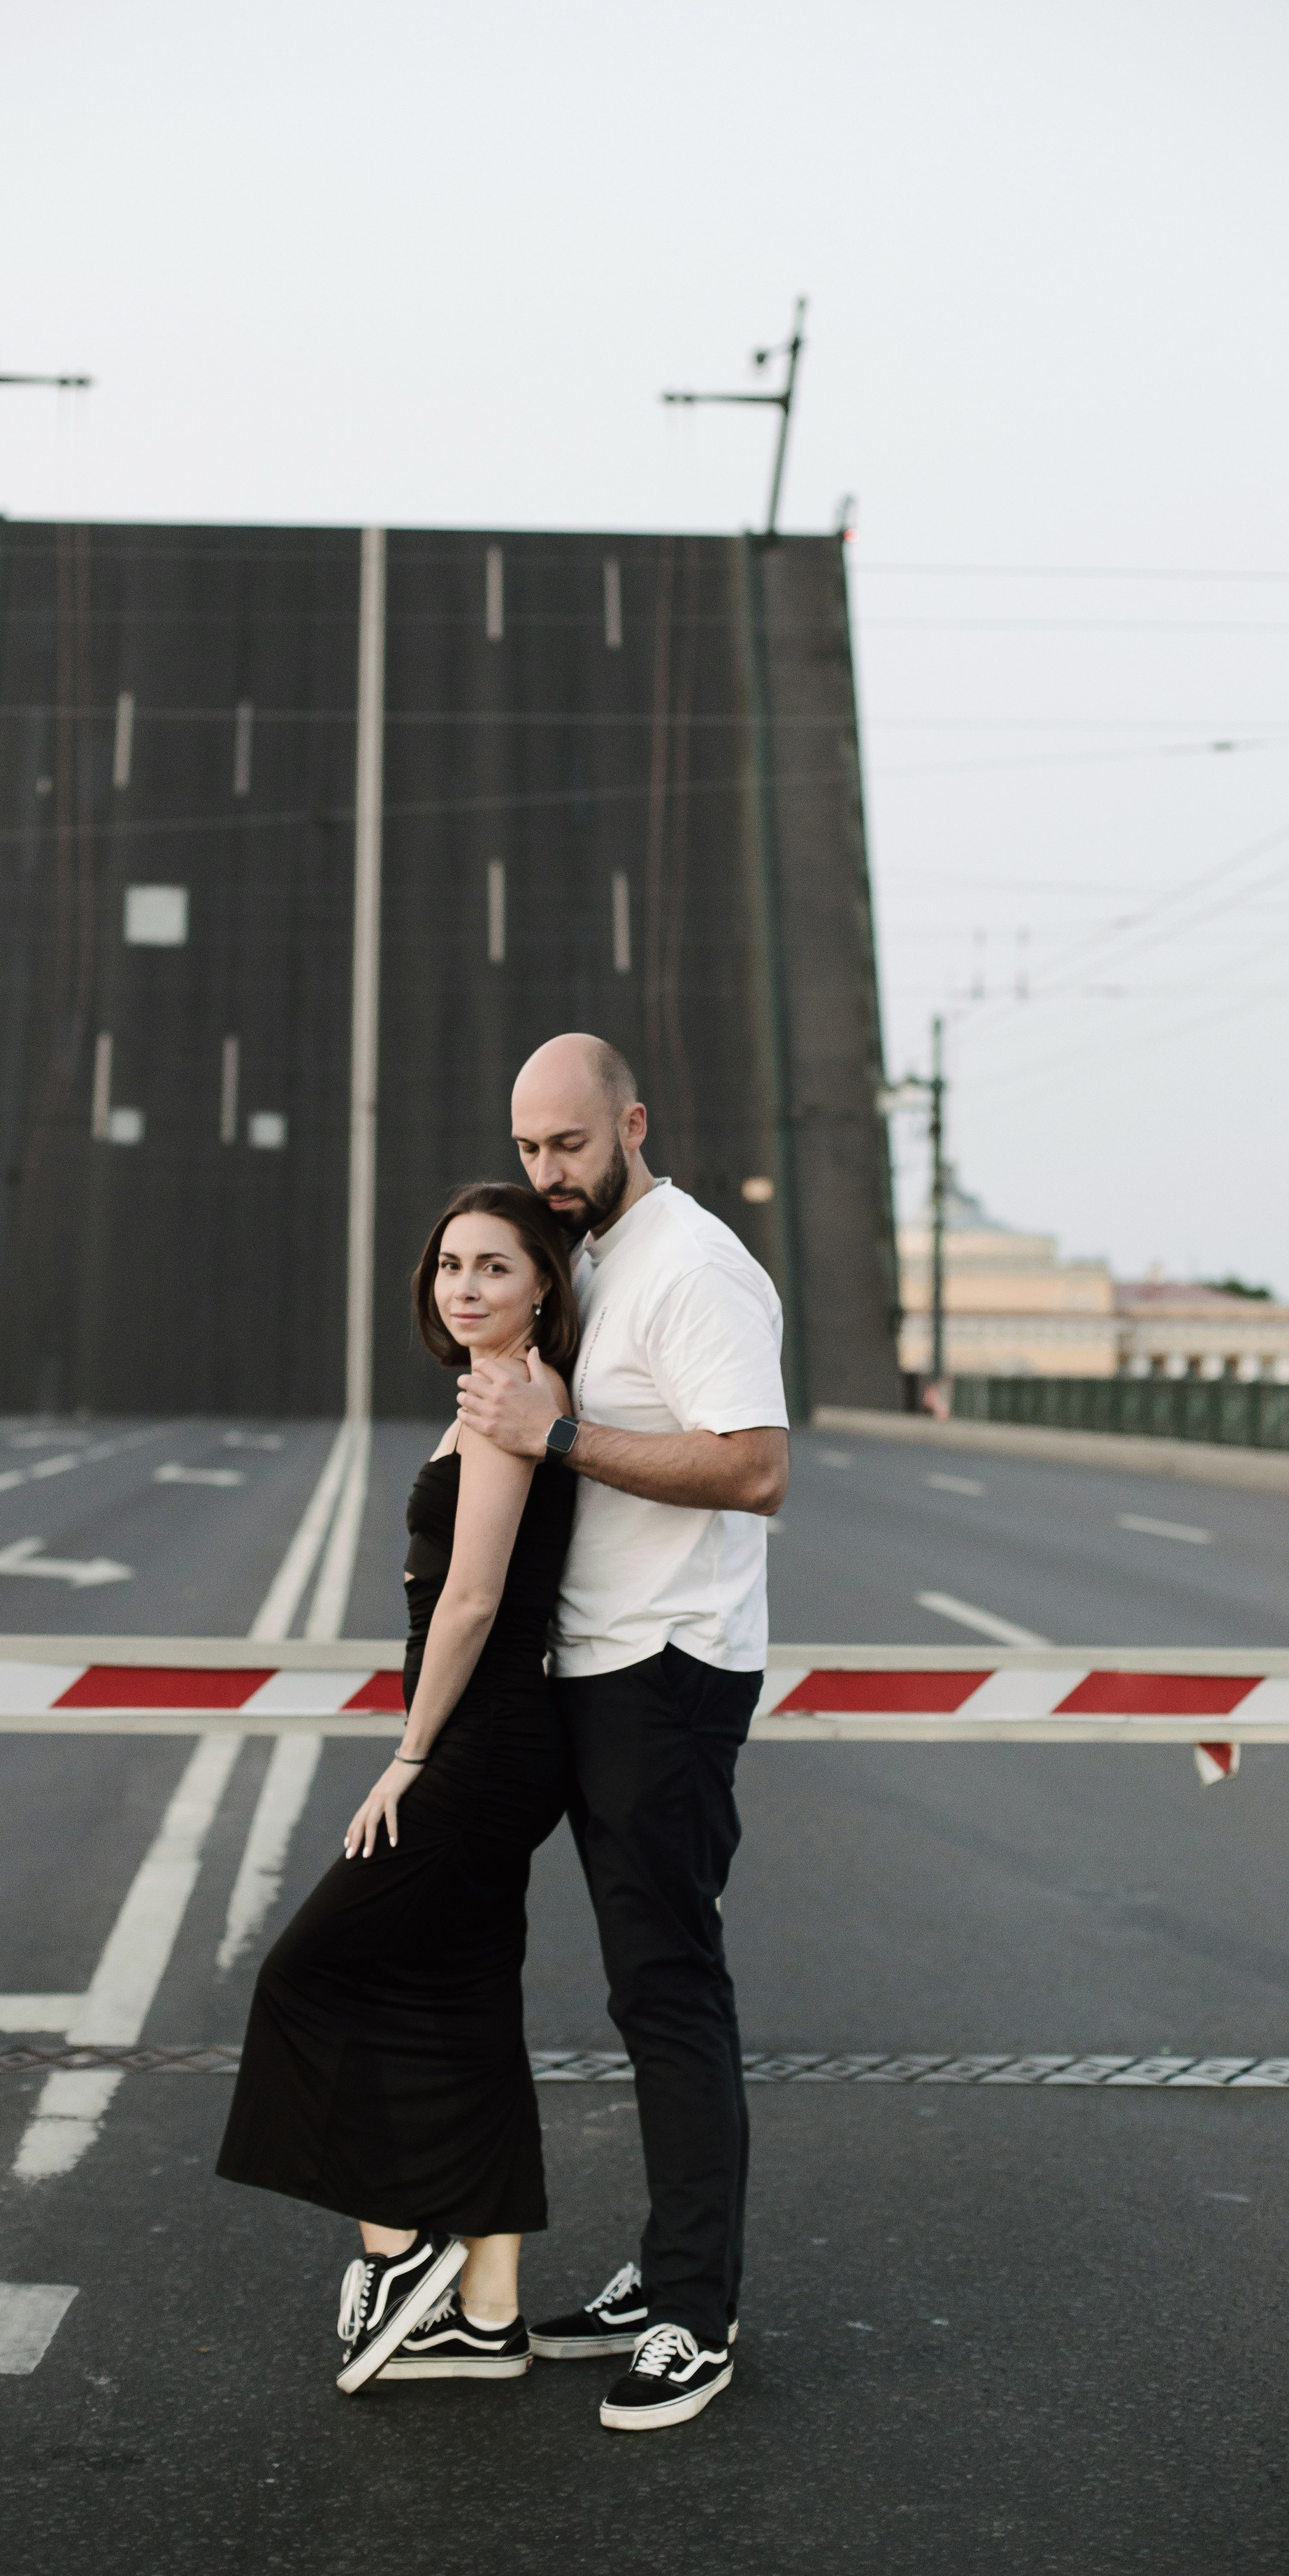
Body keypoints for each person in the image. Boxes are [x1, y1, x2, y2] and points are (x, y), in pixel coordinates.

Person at [458, 1034, 789, 2433]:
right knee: (636, 1992)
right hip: (598, 1668)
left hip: (666, 1672)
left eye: (569, 1148)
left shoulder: (693, 1265)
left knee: (670, 1992)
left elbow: (754, 1467)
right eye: (529, 1150)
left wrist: (562, 1441)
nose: (546, 1174)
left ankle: (695, 2317)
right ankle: (663, 2273)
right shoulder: (590, 1256)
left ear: (631, 1125)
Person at [216, 1182, 582, 2395]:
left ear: (542, 1285)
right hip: (499, 1737)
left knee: (308, 1975)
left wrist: (413, 1753)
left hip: (478, 1744)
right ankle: (489, 2317)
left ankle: (402, 2239)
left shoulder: (514, 1401)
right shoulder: (496, 1396)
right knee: (466, 2008)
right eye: (449, 1266)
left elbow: (472, 1596)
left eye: (493, 1267)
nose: (464, 1286)